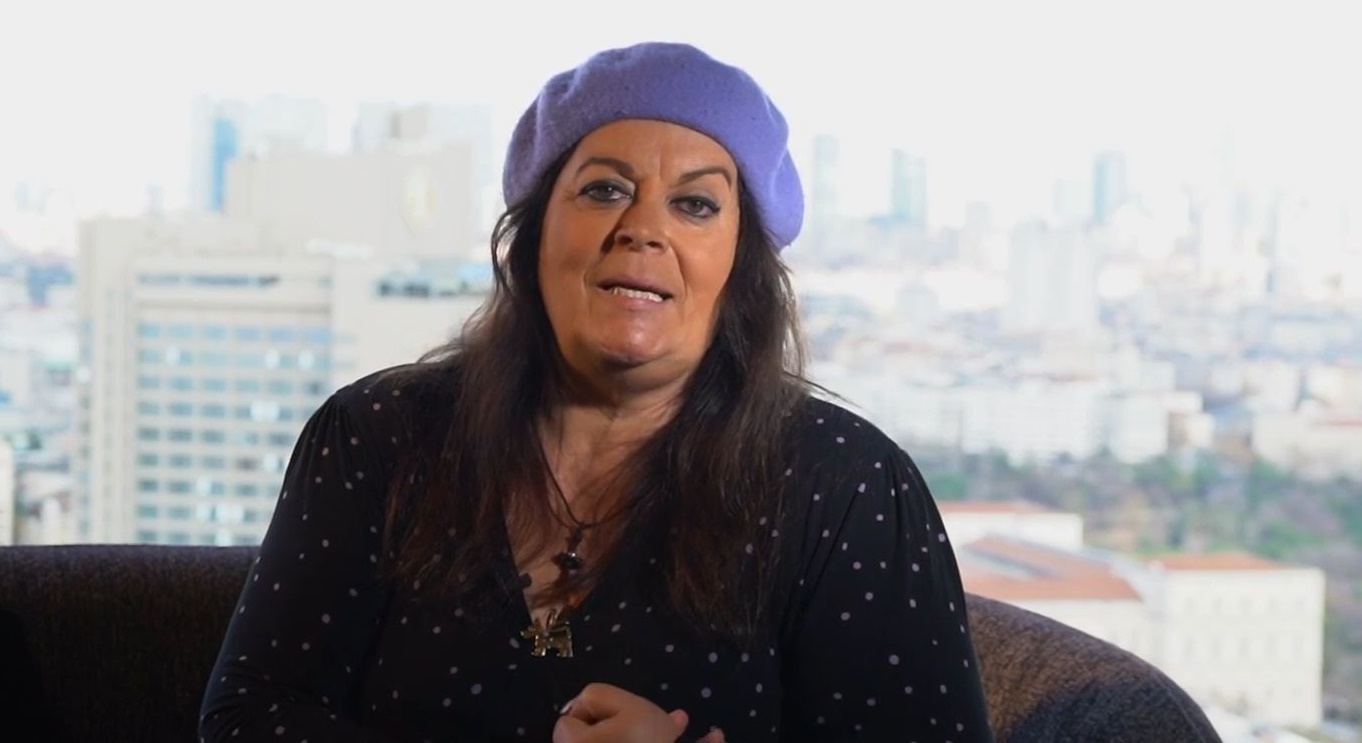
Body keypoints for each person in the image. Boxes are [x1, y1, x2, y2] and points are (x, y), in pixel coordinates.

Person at [200, 42, 994, 743]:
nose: (643, 227)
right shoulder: (375, 435)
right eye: (605, 190)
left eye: (695, 204)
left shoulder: (848, 486)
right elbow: (248, 717)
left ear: (740, 267)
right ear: (534, 235)